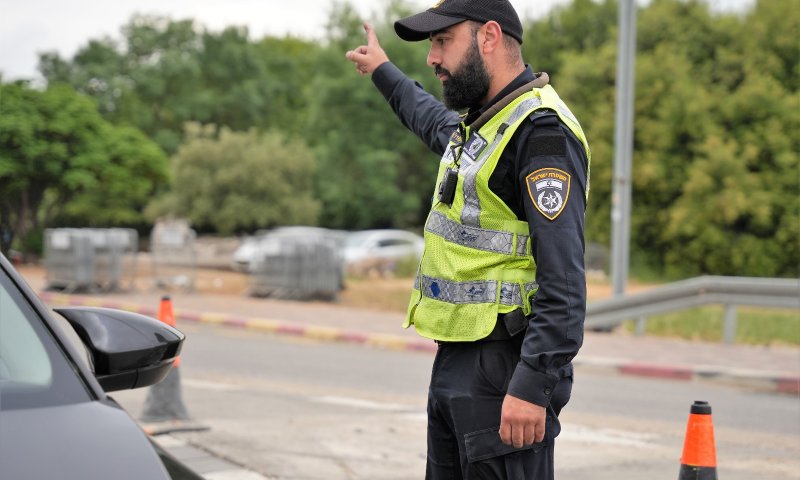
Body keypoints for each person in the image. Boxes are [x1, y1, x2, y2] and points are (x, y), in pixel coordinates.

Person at [346, 1, 590, 478]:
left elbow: (564, 279)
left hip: (506, 370)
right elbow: (429, 119)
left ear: (489, 38)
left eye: (442, 42)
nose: (432, 58)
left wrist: (533, 383)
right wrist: (382, 70)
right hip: (459, 357)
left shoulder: (542, 132)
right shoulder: (482, 126)